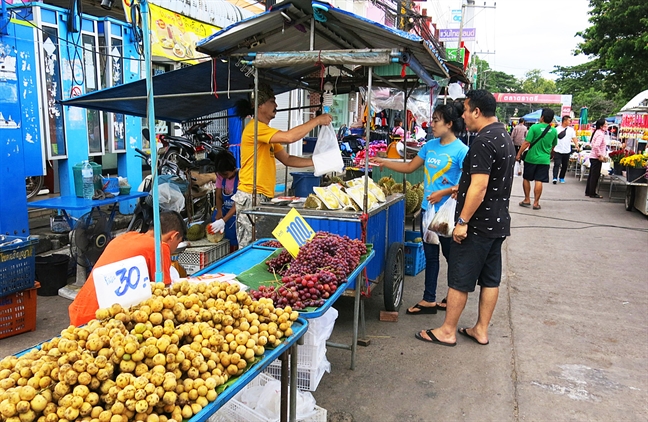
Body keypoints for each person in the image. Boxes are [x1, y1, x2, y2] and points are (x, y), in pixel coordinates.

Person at [415, 89, 515, 347]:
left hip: (478, 224)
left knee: (460, 278)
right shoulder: (503, 135)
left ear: (477, 112)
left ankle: (447, 331)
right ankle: (481, 329)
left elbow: (479, 187)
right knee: (490, 279)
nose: (463, 116)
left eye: (466, 110)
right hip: (499, 221)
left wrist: (463, 222)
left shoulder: (482, 141)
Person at [371, 103, 468, 315]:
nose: (431, 124)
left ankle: (452, 296)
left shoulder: (462, 150)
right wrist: (384, 162)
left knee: (453, 258)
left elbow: (467, 183)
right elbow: (409, 167)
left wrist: (443, 192)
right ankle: (429, 299)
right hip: (427, 210)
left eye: (436, 120)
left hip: (448, 215)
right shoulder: (430, 146)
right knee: (431, 256)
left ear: (449, 124)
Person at [232, 84, 332, 248]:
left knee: (265, 245)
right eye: (272, 101)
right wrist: (317, 120)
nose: (276, 106)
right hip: (251, 195)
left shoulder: (266, 132)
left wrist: (317, 162)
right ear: (260, 105)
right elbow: (289, 137)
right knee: (251, 247)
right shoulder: (255, 128)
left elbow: (287, 159)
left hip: (263, 197)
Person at [69, 211, 186, 326]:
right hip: (101, 322)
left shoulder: (125, 237)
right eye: (178, 242)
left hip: (78, 313)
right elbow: (163, 295)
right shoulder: (159, 247)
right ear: (174, 236)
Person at [516, 109, 558, 210]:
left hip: (531, 158)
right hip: (544, 160)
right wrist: (551, 155)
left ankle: (527, 199)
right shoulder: (554, 131)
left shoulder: (534, 127)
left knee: (526, 178)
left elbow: (526, 143)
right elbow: (553, 146)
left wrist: (518, 154)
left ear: (542, 117)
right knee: (539, 180)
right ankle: (536, 203)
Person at [208, 150, 240, 251]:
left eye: (225, 174)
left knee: (233, 229)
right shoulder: (221, 177)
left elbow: (238, 203)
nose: (223, 176)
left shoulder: (241, 177)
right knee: (215, 216)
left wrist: (224, 220)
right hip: (225, 209)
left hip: (236, 212)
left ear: (233, 168)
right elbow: (218, 196)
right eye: (221, 174)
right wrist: (220, 212)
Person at [585, 118, 608, 198]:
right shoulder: (600, 134)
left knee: (592, 175)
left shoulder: (598, 132)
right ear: (601, 126)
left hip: (594, 156)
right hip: (596, 157)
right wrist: (600, 155)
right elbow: (596, 145)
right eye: (605, 124)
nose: (607, 125)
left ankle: (589, 191)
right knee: (595, 175)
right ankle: (592, 193)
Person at [552, 116, 579, 184]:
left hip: (566, 150)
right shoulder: (556, 129)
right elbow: (553, 139)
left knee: (565, 165)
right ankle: (555, 177)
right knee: (557, 164)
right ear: (564, 121)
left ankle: (561, 177)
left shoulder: (571, 130)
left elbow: (574, 138)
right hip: (558, 149)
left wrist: (576, 144)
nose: (570, 122)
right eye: (569, 121)